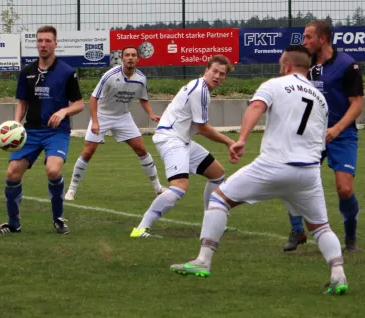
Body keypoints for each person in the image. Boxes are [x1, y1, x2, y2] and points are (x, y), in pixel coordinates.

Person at [170, 45, 348, 296]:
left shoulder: (274, 84)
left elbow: (256, 107)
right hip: (308, 172)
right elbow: (320, 138)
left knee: (219, 198)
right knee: (320, 227)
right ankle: (338, 275)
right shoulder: (320, 99)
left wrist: (241, 138)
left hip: (274, 164)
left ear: (286, 65)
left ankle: (203, 260)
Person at [130, 55, 235, 238]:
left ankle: (210, 223)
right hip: (171, 139)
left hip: (182, 140)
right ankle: (141, 228)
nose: (217, 76)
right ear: (206, 70)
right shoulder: (199, 90)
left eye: (222, 74)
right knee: (179, 186)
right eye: (214, 71)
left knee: (217, 174)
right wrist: (229, 142)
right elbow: (202, 129)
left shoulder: (202, 89)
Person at [0, 25, 84, 234]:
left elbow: (79, 104)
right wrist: (15, 125)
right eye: (40, 41)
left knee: (53, 170)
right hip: (31, 133)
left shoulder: (67, 72)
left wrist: (64, 111)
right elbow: (22, 103)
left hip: (56, 132)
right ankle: (13, 224)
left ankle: (58, 218)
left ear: (55, 44)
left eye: (47, 41)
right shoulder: (27, 72)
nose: (43, 45)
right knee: (12, 173)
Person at [284, 20, 363, 253]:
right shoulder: (303, 65)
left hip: (341, 134)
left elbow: (357, 104)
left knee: (345, 189)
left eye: (308, 37)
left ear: (323, 38)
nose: (304, 41)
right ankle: (297, 230)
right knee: (294, 180)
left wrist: (336, 129)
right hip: (309, 135)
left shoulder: (347, 65)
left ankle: (350, 237)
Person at [65, 46, 164, 201]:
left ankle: (158, 188)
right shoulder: (109, 76)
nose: (130, 58)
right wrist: (95, 122)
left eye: (133, 55)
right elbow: (93, 99)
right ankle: (71, 190)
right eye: (127, 55)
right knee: (88, 152)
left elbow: (143, 99)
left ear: (138, 59)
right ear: (122, 59)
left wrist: (151, 113)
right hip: (102, 116)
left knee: (142, 150)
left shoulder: (141, 79)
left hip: (123, 117)